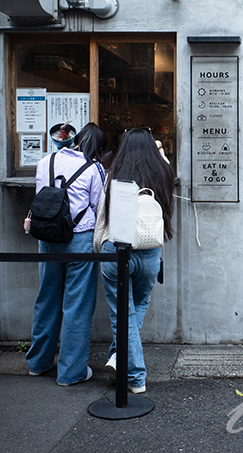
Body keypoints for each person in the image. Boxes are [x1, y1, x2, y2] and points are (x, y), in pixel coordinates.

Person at [94, 128, 174, 394]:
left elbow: (102, 212)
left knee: (123, 314)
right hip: (151, 251)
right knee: (135, 309)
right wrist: (156, 145)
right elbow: (163, 157)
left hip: (117, 250)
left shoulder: (115, 173)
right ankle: (120, 362)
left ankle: (135, 376)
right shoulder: (162, 171)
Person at [26, 122, 107, 386]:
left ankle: (38, 363)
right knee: (77, 304)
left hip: (48, 237)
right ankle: (71, 372)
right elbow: (99, 206)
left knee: (46, 298)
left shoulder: (44, 162)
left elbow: (41, 196)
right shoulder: (93, 167)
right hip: (79, 238)